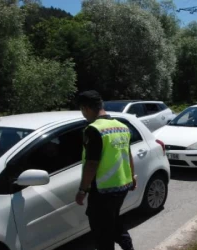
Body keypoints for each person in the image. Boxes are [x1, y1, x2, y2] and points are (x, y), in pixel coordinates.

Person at [75, 90, 136, 250]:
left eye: (82, 110)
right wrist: (132, 177)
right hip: (122, 186)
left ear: (86, 108)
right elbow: (128, 154)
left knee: (102, 232)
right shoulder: (122, 126)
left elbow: (92, 164)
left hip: (102, 190)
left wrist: (82, 190)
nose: (83, 115)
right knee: (113, 222)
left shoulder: (93, 129)